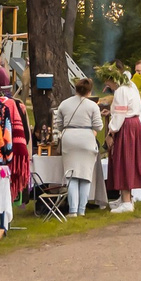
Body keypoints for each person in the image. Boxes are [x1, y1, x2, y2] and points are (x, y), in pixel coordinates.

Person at [105, 72, 141, 212]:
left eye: (109, 83)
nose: (109, 86)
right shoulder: (131, 86)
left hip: (126, 125)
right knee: (128, 160)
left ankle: (126, 202)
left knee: (124, 160)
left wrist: (111, 131)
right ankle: (126, 197)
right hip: (135, 124)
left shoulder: (121, 90)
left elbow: (120, 114)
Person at [57, 76, 105, 210]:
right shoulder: (92, 106)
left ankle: (72, 209)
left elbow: (59, 125)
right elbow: (99, 126)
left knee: (71, 175)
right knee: (85, 175)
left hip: (69, 139)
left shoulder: (64, 103)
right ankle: (81, 209)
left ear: (76, 89)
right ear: (89, 92)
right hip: (86, 139)